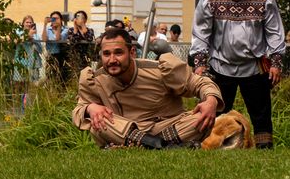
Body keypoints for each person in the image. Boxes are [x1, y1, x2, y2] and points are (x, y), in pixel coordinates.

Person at [190, 0, 285, 149]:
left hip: (254, 66)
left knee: (261, 114)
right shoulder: (210, 0)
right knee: (214, 112)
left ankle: (265, 151)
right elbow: (200, 34)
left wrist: (276, 62)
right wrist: (199, 64)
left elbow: (275, 33)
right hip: (220, 65)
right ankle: (208, 148)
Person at [73, 28, 222, 148]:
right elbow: (78, 111)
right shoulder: (95, 80)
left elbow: (200, 83)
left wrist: (211, 101)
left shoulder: (160, 69)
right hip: (125, 130)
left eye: (118, 53)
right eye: (106, 54)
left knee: (201, 119)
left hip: (169, 128)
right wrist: (90, 108)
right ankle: (166, 146)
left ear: (131, 53)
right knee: (99, 123)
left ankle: (146, 145)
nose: (112, 60)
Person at [12, 15, 43, 86]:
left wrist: (34, 41)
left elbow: (40, 50)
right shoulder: (18, 32)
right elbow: (15, 41)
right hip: (21, 63)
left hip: (33, 64)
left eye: (31, 22)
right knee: (19, 84)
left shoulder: (36, 35)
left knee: (32, 85)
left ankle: (29, 97)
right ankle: (19, 97)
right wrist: (27, 36)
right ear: (23, 24)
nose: (29, 24)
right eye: (27, 22)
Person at [43, 11, 69, 82]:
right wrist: (45, 25)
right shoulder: (48, 29)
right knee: (50, 77)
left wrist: (58, 27)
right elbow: (44, 39)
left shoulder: (65, 29)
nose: (54, 20)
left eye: (56, 18)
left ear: (61, 20)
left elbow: (57, 39)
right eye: (53, 19)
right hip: (51, 55)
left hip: (62, 56)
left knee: (62, 78)